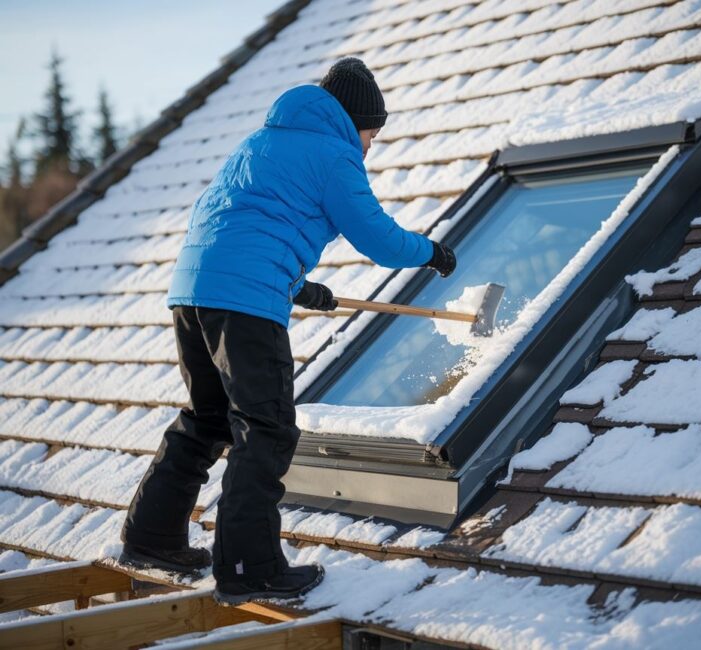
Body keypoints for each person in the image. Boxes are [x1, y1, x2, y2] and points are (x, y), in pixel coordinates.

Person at [118, 57, 457, 605]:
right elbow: (377, 238)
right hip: (244, 303)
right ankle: (250, 569)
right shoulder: (335, 152)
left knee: (208, 419)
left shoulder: (261, 142)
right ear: (355, 120)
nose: (371, 145)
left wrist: (300, 287)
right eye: (373, 131)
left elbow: (244, 226)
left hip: (192, 292)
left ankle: (150, 539)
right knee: (266, 428)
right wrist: (432, 252)